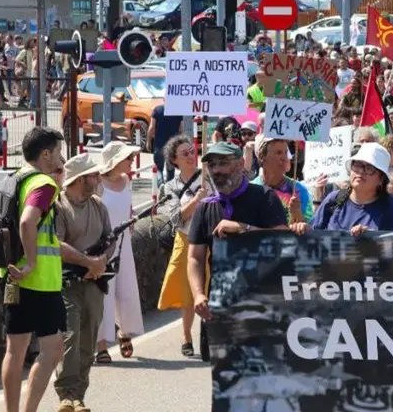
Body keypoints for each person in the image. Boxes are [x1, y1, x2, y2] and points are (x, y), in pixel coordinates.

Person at [187, 142, 289, 360]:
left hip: (262, 305)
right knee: (224, 383)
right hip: (220, 307)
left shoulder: (265, 197)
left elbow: (284, 243)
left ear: (241, 164)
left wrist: (244, 229)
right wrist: (198, 294)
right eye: (212, 165)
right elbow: (195, 258)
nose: (216, 170)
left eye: (223, 163)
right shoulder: (205, 207)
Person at [1, 127, 68, 412]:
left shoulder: (14, 178)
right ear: (46, 153)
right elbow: (28, 221)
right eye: (58, 152)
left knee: (14, 352)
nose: (62, 157)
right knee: (53, 349)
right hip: (39, 281)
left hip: (12, 279)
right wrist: (31, 263)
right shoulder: (43, 183)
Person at [52, 154, 110, 412]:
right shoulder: (59, 207)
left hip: (94, 283)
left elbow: (111, 238)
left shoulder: (98, 205)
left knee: (88, 340)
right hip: (67, 283)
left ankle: (79, 395)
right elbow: (57, 244)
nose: (98, 178)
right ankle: (66, 394)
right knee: (70, 338)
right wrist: (88, 263)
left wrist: (101, 263)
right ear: (78, 179)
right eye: (93, 175)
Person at [156, 135, 207, 358]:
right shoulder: (169, 187)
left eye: (192, 150)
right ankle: (186, 335)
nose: (190, 155)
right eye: (184, 153)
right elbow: (177, 217)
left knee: (210, 288)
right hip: (186, 240)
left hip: (211, 239)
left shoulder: (208, 176)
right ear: (174, 160)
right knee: (188, 293)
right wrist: (197, 200)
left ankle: (210, 336)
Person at [95, 141, 144, 363]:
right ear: (115, 161)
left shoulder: (126, 181)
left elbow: (128, 207)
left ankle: (124, 331)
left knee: (126, 291)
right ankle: (101, 346)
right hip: (103, 246)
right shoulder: (98, 184)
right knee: (104, 294)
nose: (132, 161)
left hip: (125, 244)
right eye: (128, 158)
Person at [311, 143, 393, 234]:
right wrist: (302, 227)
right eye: (357, 165)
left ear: (381, 179)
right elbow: (314, 234)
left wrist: (372, 239)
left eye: (369, 168)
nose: (361, 171)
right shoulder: (334, 199)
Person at [251, 136, 313, 224]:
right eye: (279, 153)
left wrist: (298, 215)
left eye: (286, 152)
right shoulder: (251, 189)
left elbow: (310, 231)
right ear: (261, 156)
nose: (284, 157)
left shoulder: (299, 190)